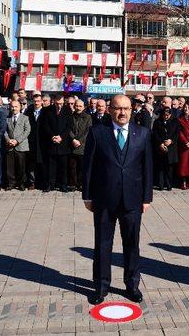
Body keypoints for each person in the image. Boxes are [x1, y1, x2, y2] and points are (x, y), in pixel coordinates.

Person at [82, 94, 152, 305]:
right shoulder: (97, 133)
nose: (122, 113)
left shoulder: (143, 134)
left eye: (126, 108)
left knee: (132, 245)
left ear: (132, 110)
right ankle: (101, 286)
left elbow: (148, 168)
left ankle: (132, 286)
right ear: (110, 110)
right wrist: (87, 195)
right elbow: (89, 167)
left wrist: (147, 197)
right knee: (103, 245)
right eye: (118, 108)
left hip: (133, 199)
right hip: (104, 199)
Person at [40, 94, 74, 192]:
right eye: (57, 103)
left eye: (61, 103)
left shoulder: (67, 110)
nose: (59, 106)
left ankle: (63, 184)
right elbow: (45, 125)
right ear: (54, 101)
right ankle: (50, 184)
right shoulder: (47, 110)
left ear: (64, 102)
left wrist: (61, 137)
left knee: (63, 166)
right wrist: (52, 136)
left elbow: (69, 126)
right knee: (51, 165)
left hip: (63, 143)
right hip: (51, 142)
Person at [3, 99, 30, 191]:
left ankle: (21, 183)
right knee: (10, 166)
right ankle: (11, 183)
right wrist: (8, 140)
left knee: (21, 166)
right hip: (10, 145)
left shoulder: (25, 118)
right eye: (12, 106)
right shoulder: (7, 118)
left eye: (16, 106)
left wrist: (17, 141)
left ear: (20, 107)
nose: (14, 108)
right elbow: (5, 131)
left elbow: (27, 131)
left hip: (21, 146)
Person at [151, 107, 179, 191]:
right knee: (161, 167)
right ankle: (161, 185)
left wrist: (171, 141)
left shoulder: (175, 122)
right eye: (165, 115)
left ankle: (169, 184)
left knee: (169, 168)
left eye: (168, 115)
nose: (166, 116)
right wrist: (161, 143)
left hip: (171, 148)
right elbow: (155, 134)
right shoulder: (157, 122)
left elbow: (177, 133)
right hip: (161, 147)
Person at [68, 99, 92, 191]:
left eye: (80, 106)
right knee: (72, 166)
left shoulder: (88, 117)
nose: (78, 108)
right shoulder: (70, 116)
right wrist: (73, 139)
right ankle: (73, 184)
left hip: (82, 146)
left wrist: (79, 141)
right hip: (72, 145)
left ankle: (81, 184)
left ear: (84, 107)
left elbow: (88, 131)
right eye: (76, 106)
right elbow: (68, 128)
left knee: (82, 167)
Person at [24, 94, 45, 190]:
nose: (36, 103)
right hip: (31, 141)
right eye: (35, 101)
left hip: (42, 141)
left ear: (42, 102)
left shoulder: (46, 112)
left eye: (38, 101)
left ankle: (41, 182)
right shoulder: (28, 113)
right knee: (31, 163)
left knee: (42, 162)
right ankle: (32, 182)